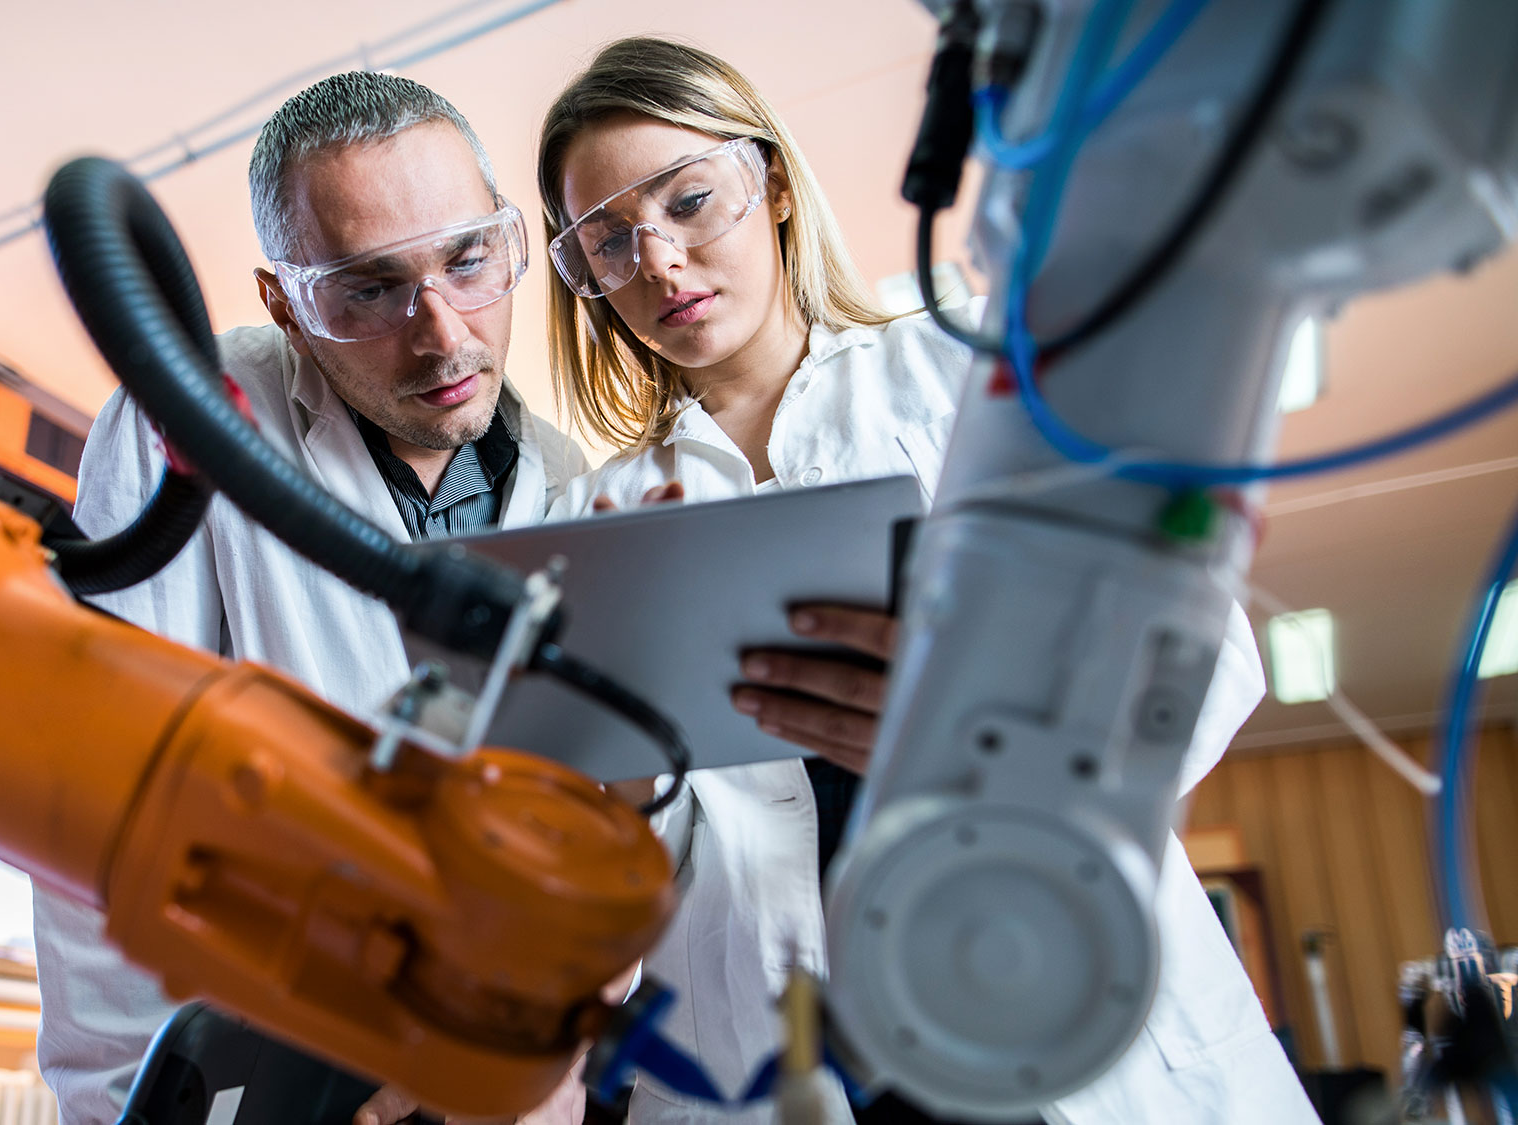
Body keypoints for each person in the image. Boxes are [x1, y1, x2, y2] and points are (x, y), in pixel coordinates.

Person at [536, 37, 1317, 1125]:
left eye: (687, 200)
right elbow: (614, 860)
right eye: (606, 240)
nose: (658, 261)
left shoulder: (967, 379)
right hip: (789, 1059)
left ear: (767, 186)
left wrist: (984, 725)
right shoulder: (591, 520)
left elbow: (1203, 654)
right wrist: (602, 787)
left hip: (1056, 992)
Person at [32, 71, 588, 1125]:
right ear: (284, 301)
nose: (441, 335)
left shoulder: (565, 477)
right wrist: (130, 1103)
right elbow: (94, 788)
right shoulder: (188, 410)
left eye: (468, 260)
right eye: (367, 290)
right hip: (259, 1065)